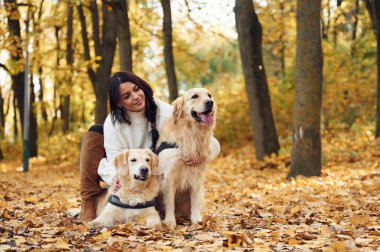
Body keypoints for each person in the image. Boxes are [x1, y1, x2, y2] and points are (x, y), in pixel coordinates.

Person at [79, 71, 220, 221]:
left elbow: (212, 143)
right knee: (94, 132)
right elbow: (115, 161)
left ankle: (154, 208)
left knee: (184, 215)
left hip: (155, 177)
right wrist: (114, 177)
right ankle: (89, 200)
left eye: (136, 89)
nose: (136, 96)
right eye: (127, 96)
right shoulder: (112, 123)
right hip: (129, 174)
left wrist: (202, 155)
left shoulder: (164, 111)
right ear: (119, 103)